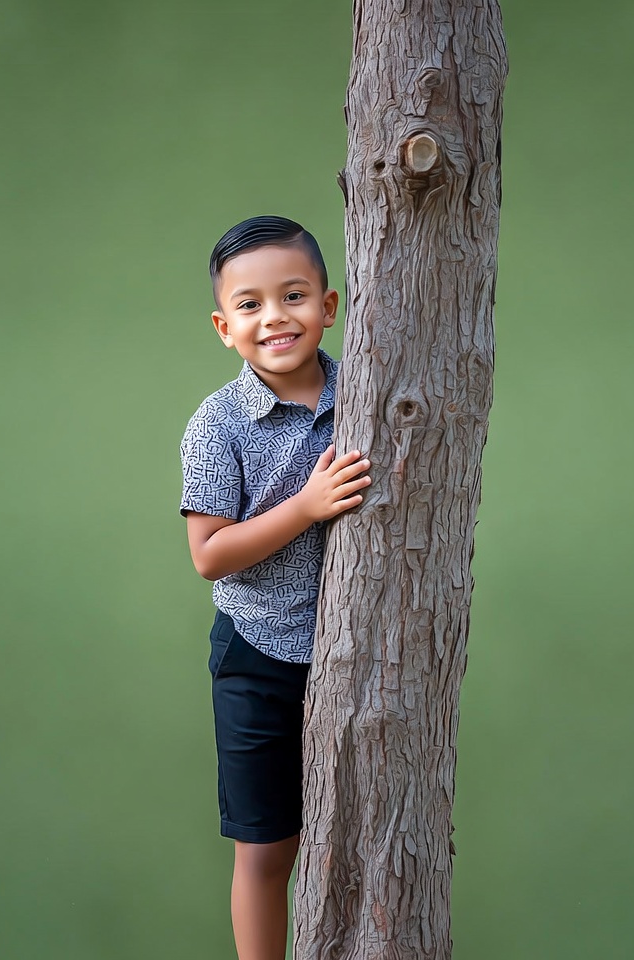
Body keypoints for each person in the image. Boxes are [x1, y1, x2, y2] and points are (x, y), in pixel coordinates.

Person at [180, 215, 371, 960]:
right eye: (251, 305)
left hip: (356, 648)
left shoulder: (366, 391)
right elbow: (210, 554)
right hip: (259, 657)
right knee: (268, 849)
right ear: (225, 327)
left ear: (328, 306)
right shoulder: (217, 424)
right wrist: (305, 508)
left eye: (293, 296)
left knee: (356, 833)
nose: (275, 318)